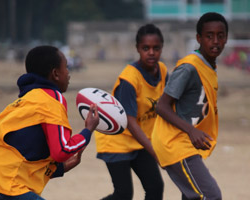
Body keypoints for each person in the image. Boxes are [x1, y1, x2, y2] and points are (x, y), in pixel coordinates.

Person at [0, 45, 99, 200]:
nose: (69, 73)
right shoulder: (52, 99)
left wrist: (59, 168)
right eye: (66, 68)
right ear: (55, 73)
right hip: (5, 182)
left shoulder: (30, 98)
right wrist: (88, 130)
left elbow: (25, 148)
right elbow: (63, 150)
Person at [151, 12, 228, 200]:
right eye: (209, 36)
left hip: (186, 143)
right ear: (199, 38)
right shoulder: (189, 67)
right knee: (211, 196)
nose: (215, 41)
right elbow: (161, 106)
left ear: (226, 38)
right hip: (174, 143)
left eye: (220, 36)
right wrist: (191, 131)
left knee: (192, 196)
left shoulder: (209, 67)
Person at [95, 24, 168, 200]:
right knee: (123, 194)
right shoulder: (129, 79)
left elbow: (167, 106)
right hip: (118, 141)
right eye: (146, 48)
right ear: (137, 49)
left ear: (161, 48)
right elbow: (130, 121)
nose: (151, 52)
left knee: (155, 187)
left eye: (156, 48)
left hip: (140, 141)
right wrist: (154, 151)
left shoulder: (163, 71)